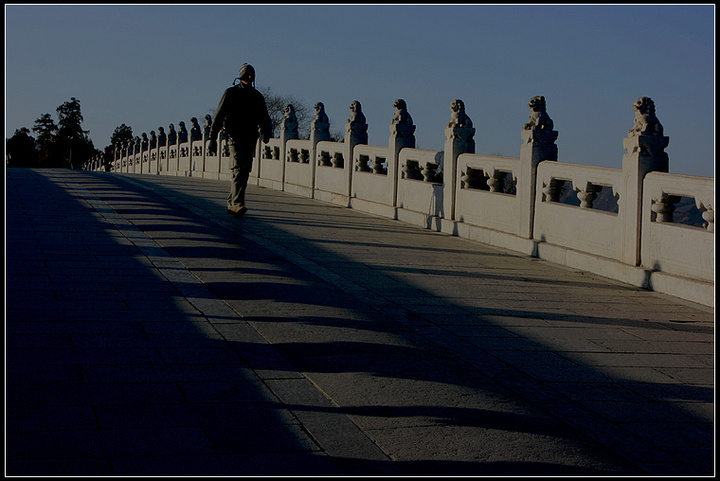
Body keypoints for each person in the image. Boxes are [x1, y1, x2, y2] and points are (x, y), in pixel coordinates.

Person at [208, 63, 273, 217]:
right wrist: (213, 138)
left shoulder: (257, 96)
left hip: (250, 137)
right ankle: (237, 203)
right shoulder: (231, 93)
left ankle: (233, 202)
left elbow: (264, 117)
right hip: (234, 136)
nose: (250, 77)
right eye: (247, 74)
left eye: (252, 74)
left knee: (245, 171)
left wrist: (266, 132)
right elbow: (218, 116)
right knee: (238, 169)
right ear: (242, 75)